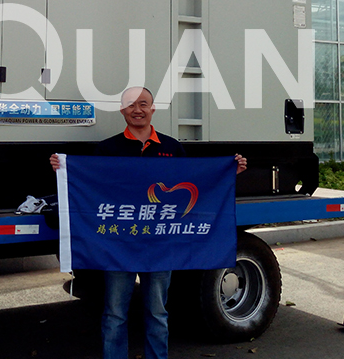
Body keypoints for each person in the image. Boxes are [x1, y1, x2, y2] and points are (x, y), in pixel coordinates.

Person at [50, 86, 247, 359]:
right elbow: (92, 186)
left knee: (157, 313)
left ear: (153, 109)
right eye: (131, 104)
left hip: (160, 246)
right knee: (115, 314)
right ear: (122, 110)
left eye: (143, 104)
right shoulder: (107, 149)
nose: (137, 109)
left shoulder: (171, 148)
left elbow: (197, 182)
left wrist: (228, 171)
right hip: (119, 245)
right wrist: (65, 169)